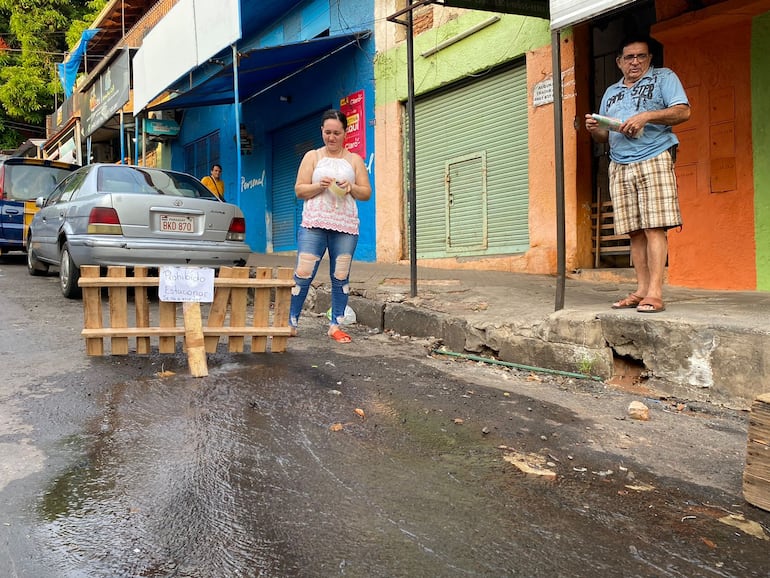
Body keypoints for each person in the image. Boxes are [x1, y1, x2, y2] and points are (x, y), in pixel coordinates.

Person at [585, 35, 690, 313]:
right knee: (634, 231)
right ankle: (641, 289)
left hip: (654, 156)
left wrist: (646, 116)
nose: (635, 62)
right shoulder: (611, 92)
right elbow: (602, 137)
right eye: (629, 57)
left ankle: (655, 293)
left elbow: (683, 112)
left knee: (654, 226)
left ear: (649, 59)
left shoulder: (664, 78)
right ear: (619, 62)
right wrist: (594, 128)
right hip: (619, 163)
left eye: (641, 56)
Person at [289, 109, 372, 342]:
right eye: (327, 132)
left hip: (345, 224)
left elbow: (366, 193)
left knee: (341, 274)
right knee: (303, 273)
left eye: (337, 133)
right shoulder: (312, 156)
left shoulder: (354, 160)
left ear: (345, 133)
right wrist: (319, 186)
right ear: (321, 132)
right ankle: (291, 322)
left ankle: (336, 325)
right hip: (314, 222)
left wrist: (351, 188)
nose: (332, 137)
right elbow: (299, 190)